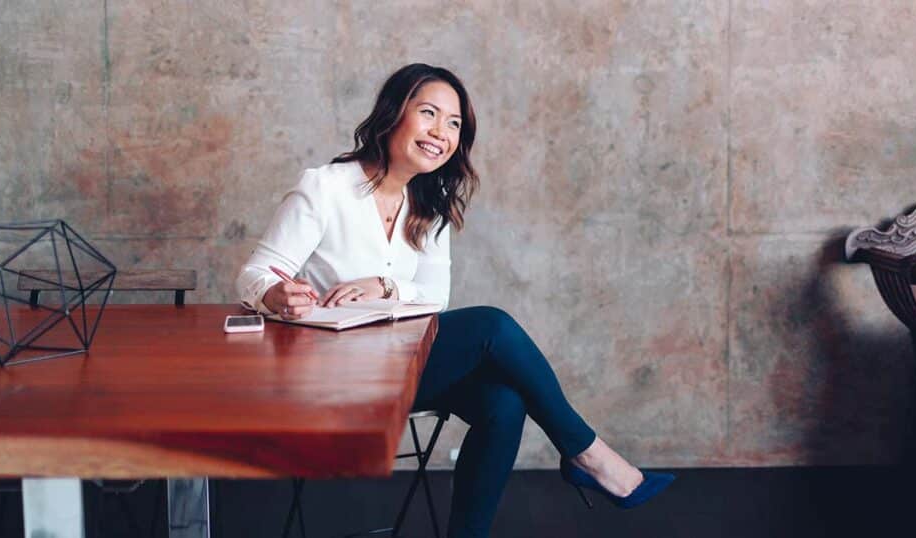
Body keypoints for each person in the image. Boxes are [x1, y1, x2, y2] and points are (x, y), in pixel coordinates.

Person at [235, 63, 674, 537]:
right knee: (491, 326)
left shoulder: (431, 205)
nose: (440, 133)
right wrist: (279, 293)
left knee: (503, 402)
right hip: (333, 378)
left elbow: (434, 299)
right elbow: (255, 274)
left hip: (399, 369)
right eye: (428, 114)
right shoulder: (325, 188)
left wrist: (386, 288)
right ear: (393, 114)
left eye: (454, 123)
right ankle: (587, 452)